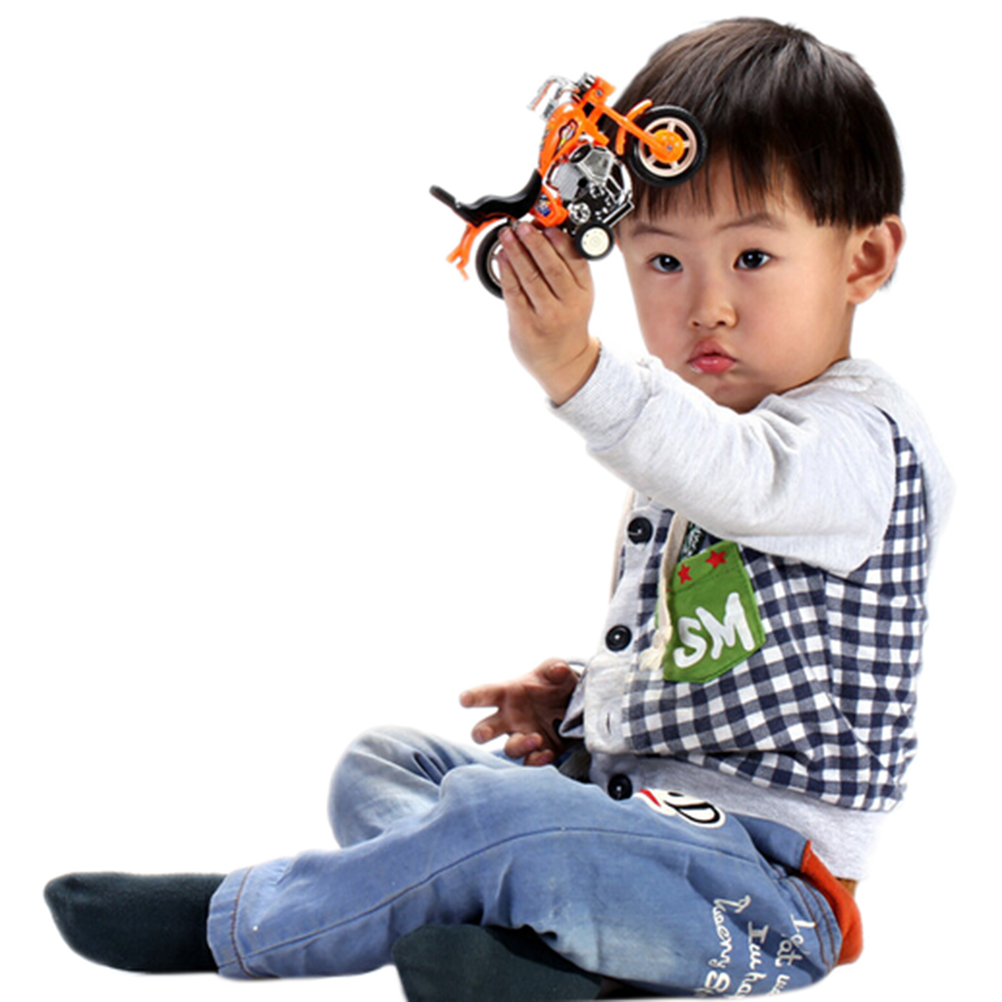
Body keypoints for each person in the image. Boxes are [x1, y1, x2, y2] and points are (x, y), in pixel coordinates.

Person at [44, 17, 951, 997]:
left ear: (863, 260)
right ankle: (526, 961)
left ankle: (250, 922)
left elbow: (740, 475)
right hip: (629, 815)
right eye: (662, 262)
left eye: (753, 258)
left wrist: (578, 369)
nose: (707, 306)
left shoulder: (859, 445)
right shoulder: (706, 452)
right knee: (385, 763)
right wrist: (586, 707)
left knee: (496, 823)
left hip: (759, 889)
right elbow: (717, 658)